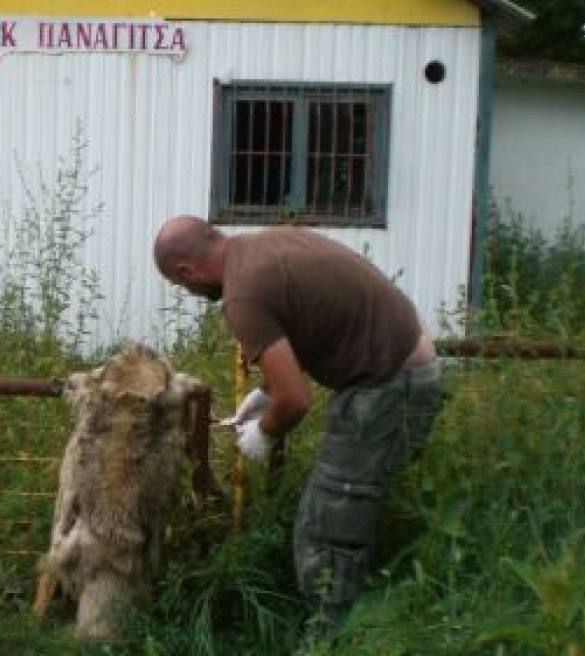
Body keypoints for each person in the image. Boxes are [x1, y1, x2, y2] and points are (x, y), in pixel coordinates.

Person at [153, 215, 442, 629]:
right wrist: (267, 392)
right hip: (406, 371)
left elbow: (297, 400)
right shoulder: (263, 245)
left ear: (187, 270)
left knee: (326, 530)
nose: (193, 294)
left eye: (183, 286)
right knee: (354, 510)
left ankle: (329, 638)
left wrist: (265, 433)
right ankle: (374, 616)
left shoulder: (241, 297)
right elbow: (308, 322)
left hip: (388, 387)